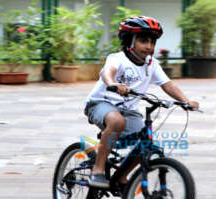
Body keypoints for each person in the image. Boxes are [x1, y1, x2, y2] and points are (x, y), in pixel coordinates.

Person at [84, 16, 199, 188]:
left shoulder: (152, 64)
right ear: (130, 41)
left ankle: (122, 176)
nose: (149, 47)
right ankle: (98, 171)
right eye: (143, 41)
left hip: (129, 110)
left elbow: (167, 84)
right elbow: (107, 72)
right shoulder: (117, 58)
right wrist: (113, 84)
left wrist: (186, 101)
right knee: (117, 121)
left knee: (146, 143)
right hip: (100, 103)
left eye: (152, 42)